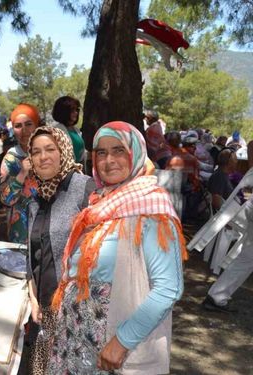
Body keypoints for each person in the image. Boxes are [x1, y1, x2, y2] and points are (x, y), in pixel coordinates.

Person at [50, 121, 186, 374]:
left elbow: (169, 288)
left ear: (135, 152)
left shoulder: (153, 209)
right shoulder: (102, 202)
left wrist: (122, 342)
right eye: (101, 152)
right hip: (77, 335)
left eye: (118, 150)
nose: (109, 159)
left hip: (112, 343)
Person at [24, 126, 95, 374]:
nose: (43, 156)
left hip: (73, 308)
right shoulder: (37, 197)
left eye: (50, 149)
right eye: (36, 152)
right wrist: (33, 299)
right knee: (40, 367)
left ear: (63, 150)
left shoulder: (85, 188)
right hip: (43, 307)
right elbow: (33, 254)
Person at [0, 103, 41, 244]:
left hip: (47, 229)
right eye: (18, 126)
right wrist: (22, 174)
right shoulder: (11, 158)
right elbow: (5, 199)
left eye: (29, 124)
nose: (24, 130)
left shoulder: (49, 154)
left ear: (36, 125)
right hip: (20, 233)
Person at [52, 96, 84, 163]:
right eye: (72, 110)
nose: (76, 113)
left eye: (77, 110)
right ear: (64, 112)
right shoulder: (56, 131)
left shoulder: (77, 130)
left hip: (79, 168)